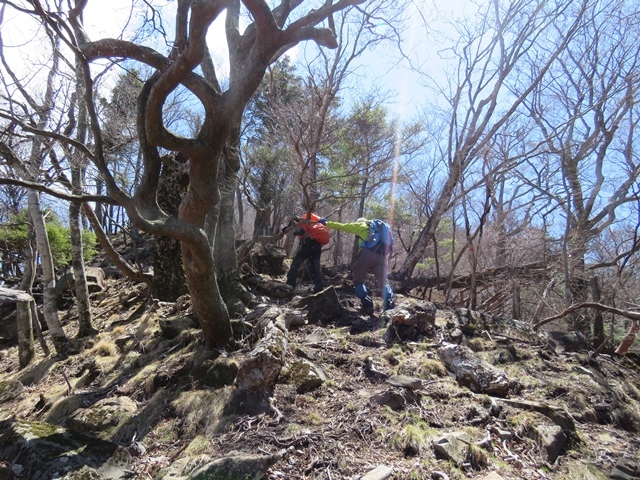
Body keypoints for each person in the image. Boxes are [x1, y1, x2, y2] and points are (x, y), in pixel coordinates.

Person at [321, 217, 396, 314]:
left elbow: (342, 226)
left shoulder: (361, 225)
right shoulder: (378, 229)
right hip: (382, 256)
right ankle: (389, 303)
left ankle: (367, 304)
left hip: (367, 254)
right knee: (383, 282)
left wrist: (326, 223)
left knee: (358, 280)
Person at [281, 213, 329, 293]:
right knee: (316, 268)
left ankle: (290, 286)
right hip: (317, 247)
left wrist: (293, 232)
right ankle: (319, 288)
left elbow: (301, 231)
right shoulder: (315, 223)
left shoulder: (304, 221)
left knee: (295, 264)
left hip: (308, 244)